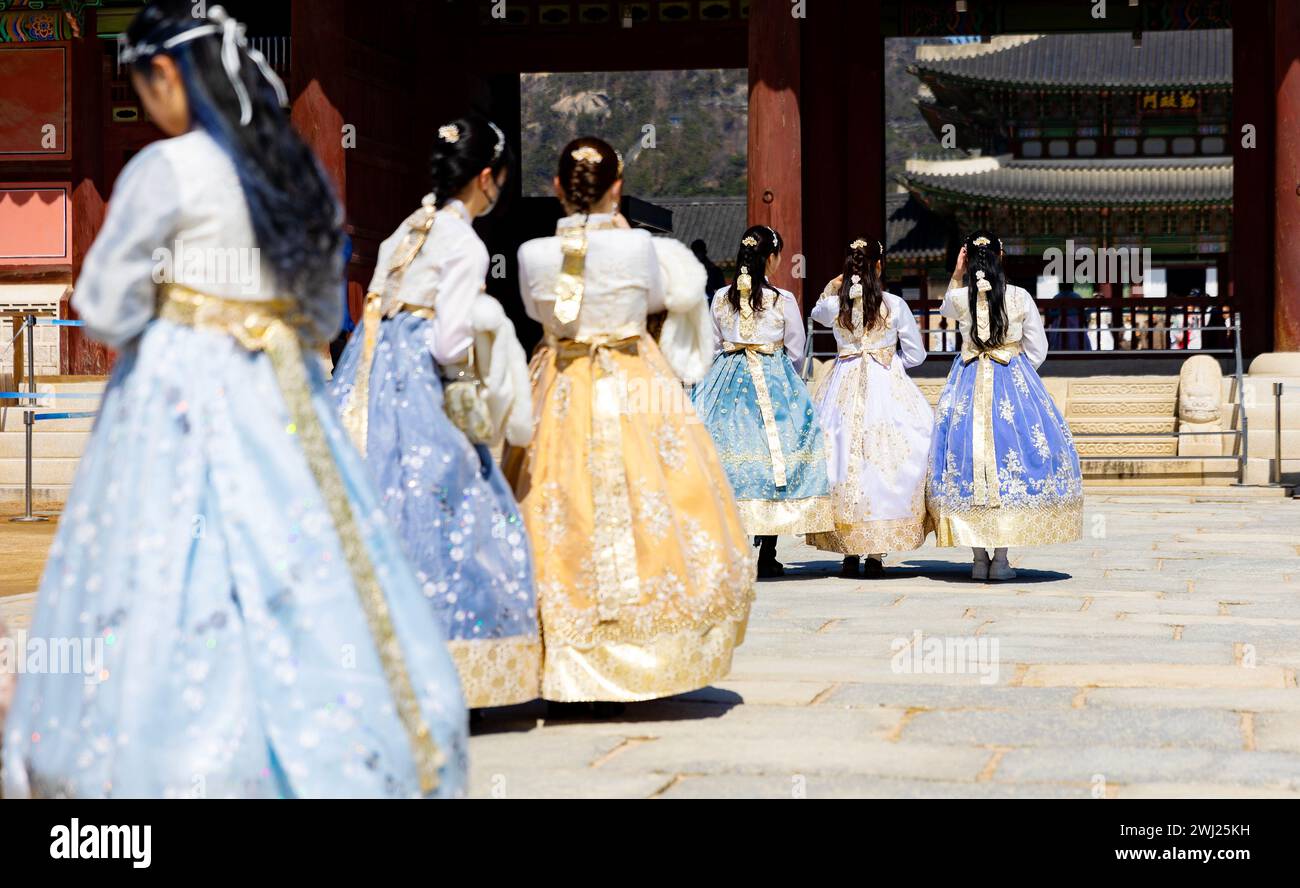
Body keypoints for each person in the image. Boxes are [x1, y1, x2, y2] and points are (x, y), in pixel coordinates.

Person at [1, 2, 466, 798]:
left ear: (167, 74)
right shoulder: (292, 171)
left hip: (178, 385)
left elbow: (106, 301)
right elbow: (325, 310)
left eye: (143, 84)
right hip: (281, 388)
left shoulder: (167, 168)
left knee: (164, 557)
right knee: (300, 553)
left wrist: (181, 309)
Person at [505, 136, 754, 708]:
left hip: (560, 378)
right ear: (617, 187)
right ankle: (646, 647)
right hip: (631, 376)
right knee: (659, 497)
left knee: (553, 499)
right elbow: (661, 297)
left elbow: (532, 312)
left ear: (557, 188)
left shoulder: (531, 254)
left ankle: (561, 647)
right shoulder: (639, 245)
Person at [330, 114, 539, 710]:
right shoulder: (463, 242)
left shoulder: (406, 229)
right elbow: (449, 341)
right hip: (421, 382)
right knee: (447, 509)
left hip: (368, 378)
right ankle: (449, 666)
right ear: (486, 178)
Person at [927, 231, 1083, 581]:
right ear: (1002, 256)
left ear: (967, 258)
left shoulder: (962, 297)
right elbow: (1038, 348)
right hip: (1010, 377)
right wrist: (1021, 375)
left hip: (968, 380)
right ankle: (1001, 560)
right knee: (1007, 461)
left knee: (969, 461)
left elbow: (943, 305)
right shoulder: (1019, 297)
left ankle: (978, 559)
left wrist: (957, 271)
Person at [691, 225, 832, 578]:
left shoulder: (721, 297)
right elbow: (797, 349)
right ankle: (767, 551)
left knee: (728, 459)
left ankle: (730, 549)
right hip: (773, 379)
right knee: (775, 460)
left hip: (725, 383)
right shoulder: (782, 299)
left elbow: (710, 344)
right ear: (771, 257)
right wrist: (786, 374)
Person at [806, 239, 932, 578]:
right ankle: (875, 554)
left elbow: (817, 310)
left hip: (842, 384)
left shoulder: (835, 306)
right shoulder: (893, 305)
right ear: (879, 266)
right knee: (883, 462)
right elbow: (917, 354)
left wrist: (836, 283)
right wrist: (892, 364)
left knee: (842, 458)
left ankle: (847, 551)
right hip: (883, 382)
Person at [1044, 281, 1091, 352]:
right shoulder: (1077, 296)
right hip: (1076, 322)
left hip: (1059, 322)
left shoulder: (1057, 297)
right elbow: (1083, 313)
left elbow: (1051, 313)